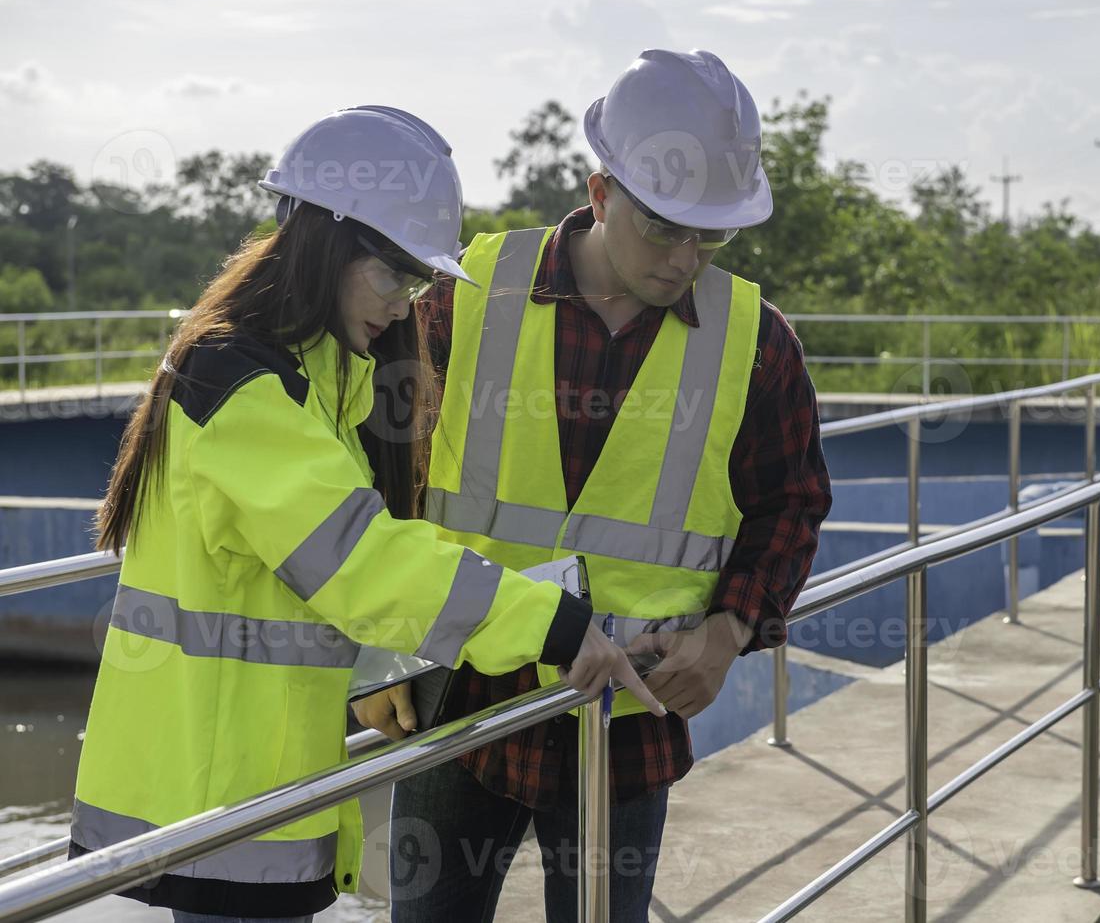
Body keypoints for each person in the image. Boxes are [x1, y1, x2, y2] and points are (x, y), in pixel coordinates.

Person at [68, 105, 662, 923]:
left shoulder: (313, 368)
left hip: (260, 777)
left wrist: (384, 666)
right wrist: (556, 626)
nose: (405, 303)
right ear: (326, 240)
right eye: (394, 274)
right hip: (213, 792)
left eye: (419, 282)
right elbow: (361, 561)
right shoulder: (238, 384)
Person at [361, 50, 832, 922]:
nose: (686, 258)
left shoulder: (754, 341)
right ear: (602, 192)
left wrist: (731, 628)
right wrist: (376, 654)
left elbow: (790, 504)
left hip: (627, 715)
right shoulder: (463, 297)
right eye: (664, 227)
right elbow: (383, 482)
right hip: (458, 691)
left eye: (712, 235)